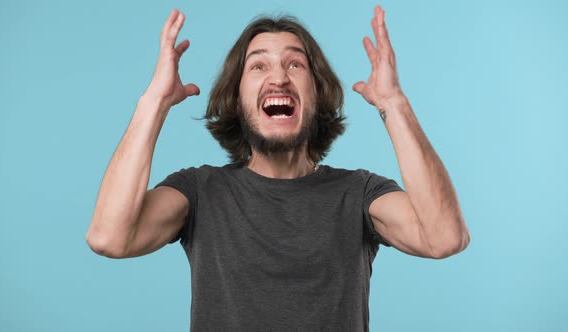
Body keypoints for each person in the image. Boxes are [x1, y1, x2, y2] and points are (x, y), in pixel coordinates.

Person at [86, 5, 471, 331]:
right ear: (236, 99)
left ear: (317, 95)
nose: (278, 77)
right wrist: (154, 102)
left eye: (295, 64)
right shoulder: (200, 191)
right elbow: (109, 237)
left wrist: (394, 102)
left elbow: (444, 238)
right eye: (258, 67)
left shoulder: (359, 194)